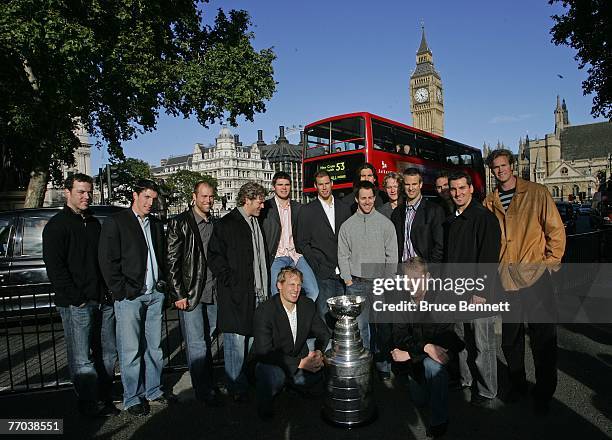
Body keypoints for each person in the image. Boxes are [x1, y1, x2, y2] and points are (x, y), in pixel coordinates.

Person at [484, 149, 565, 415]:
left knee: (543, 338)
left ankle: (543, 392)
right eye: (495, 167)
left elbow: (555, 229)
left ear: (512, 166)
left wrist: (551, 265)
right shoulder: (490, 201)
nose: (500, 171)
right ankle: (518, 385)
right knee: (510, 339)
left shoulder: (537, 192)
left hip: (535, 276)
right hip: (506, 278)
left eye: (503, 165)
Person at [42, 173, 118, 417]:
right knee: (82, 357)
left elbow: (102, 261)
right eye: (81, 192)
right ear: (67, 192)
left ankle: (105, 398)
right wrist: (77, 298)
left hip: (101, 301)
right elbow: (56, 268)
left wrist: (106, 293)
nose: (87, 197)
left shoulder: (95, 223)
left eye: (89, 192)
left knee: (107, 353)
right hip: (77, 303)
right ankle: (87, 403)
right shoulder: (57, 226)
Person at [98, 179, 169, 417]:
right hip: (130, 296)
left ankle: (153, 390)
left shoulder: (156, 224)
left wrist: (162, 286)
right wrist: (121, 291)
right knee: (130, 350)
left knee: (155, 348)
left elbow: (161, 257)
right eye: (146, 197)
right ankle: (132, 398)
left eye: (153, 198)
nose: (150, 202)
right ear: (135, 195)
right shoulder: (117, 222)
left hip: (154, 294)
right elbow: (108, 261)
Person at [444, 171, 501, 408]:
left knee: (482, 344)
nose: (457, 193)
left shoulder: (484, 217)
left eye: (461, 188)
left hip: (478, 293)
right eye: (453, 189)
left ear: (470, 189)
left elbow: (488, 258)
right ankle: (466, 380)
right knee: (462, 340)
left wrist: (481, 292)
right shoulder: (453, 218)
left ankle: (487, 391)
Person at [208, 181, 268, 402]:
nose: (262, 206)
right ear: (247, 200)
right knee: (235, 343)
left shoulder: (255, 222)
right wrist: (231, 281)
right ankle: (235, 386)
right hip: (236, 294)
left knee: (250, 341)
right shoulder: (227, 224)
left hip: (255, 292)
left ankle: (242, 381)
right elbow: (215, 257)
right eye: (259, 202)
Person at [391, 257, 464, 438]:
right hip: (416, 361)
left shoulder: (442, 298)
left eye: (416, 279)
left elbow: (446, 341)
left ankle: (439, 420)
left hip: (437, 358)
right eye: (408, 279)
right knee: (419, 399)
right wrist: (425, 347)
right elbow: (399, 337)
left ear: (427, 277)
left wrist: (415, 351)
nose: (412, 284)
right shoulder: (400, 299)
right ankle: (427, 386)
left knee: (433, 365)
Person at [167, 180, 222, 406]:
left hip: (212, 291)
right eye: (204, 196)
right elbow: (171, 261)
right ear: (194, 197)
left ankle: (207, 382)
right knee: (197, 343)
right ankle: (203, 390)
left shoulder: (215, 223)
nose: (208, 201)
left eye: (211, 197)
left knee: (208, 340)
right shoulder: (179, 223)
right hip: (191, 292)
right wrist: (179, 294)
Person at [252, 267, 330, 419]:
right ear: (279, 285)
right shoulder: (265, 311)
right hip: (270, 361)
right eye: (291, 285)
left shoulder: (306, 304)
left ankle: (299, 383)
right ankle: (265, 402)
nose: (296, 290)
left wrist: (319, 353)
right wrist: (302, 363)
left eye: (299, 285)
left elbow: (323, 333)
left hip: (297, 353)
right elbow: (264, 352)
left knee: (332, 346)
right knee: (275, 375)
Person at [337, 180, 398, 375]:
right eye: (363, 198)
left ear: (374, 198)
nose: (367, 201)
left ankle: (383, 367)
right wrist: (348, 280)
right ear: (357, 199)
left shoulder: (385, 224)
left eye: (370, 197)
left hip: (380, 283)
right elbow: (343, 255)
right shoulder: (347, 226)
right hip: (356, 285)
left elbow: (392, 255)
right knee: (361, 330)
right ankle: (364, 369)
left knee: (382, 328)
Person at [296, 170, 351, 328]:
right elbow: (302, 243)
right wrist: (316, 265)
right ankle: (326, 350)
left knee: (343, 316)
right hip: (322, 271)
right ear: (315, 186)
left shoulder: (344, 207)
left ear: (332, 184)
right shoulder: (307, 211)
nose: (325, 187)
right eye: (321, 185)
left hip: (343, 271)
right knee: (325, 315)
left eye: (327, 183)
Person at [260, 171, 318, 301]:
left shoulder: (298, 208)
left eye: (287, 184)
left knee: (313, 291)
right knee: (276, 294)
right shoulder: (266, 207)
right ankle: (283, 320)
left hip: (296, 255)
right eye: (280, 184)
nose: (284, 188)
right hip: (276, 257)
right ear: (274, 187)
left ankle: (299, 317)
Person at [391, 168, 445, 264]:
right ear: (403, 186)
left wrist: (430, 270)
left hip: (424, 272)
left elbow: (439, 246)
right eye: (407, 184)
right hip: (402, 271)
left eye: (414, 184)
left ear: (420, 184)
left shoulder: (434, 210)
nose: (411, 188)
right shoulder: (397, 213)